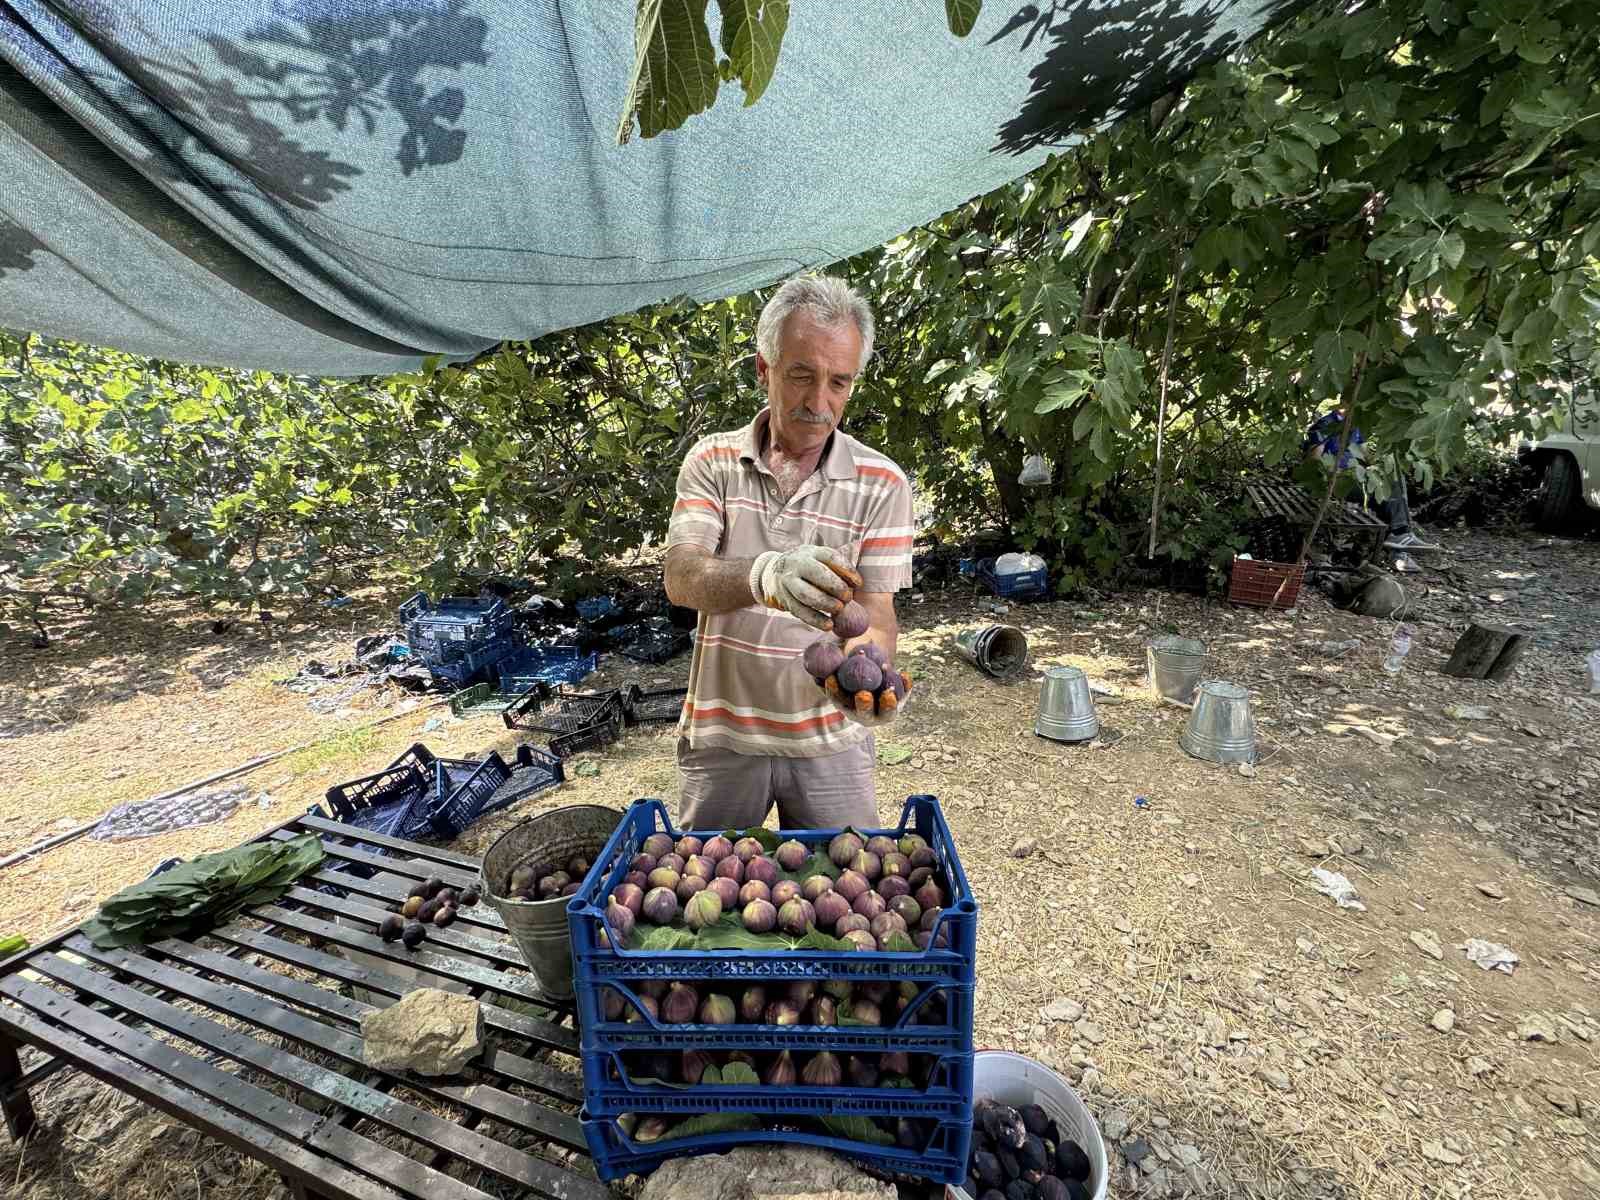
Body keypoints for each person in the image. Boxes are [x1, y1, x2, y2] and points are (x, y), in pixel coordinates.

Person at [663, 275, 913, 832]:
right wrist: (765, 575)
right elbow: (681, 576)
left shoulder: (882, 483)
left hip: (831, 746)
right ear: (764, 369)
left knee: (847, 902)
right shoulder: (713, 461)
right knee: (706, 902)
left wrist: (866, 672)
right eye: (802, 375)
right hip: (722, 740)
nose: (819, 402)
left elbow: (876, 616)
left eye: (839, 382)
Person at [1301, 410, 1439, 568]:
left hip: (1355, 477)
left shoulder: (1357, 424)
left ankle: (1399, 545)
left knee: (1393, 480)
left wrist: (1383, 465)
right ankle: (1400, 543)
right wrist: (1335, 471)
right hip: (1335, 482)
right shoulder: (1325, 424)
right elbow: (1313, 463)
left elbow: (1366, 455)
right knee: (1387, 492)